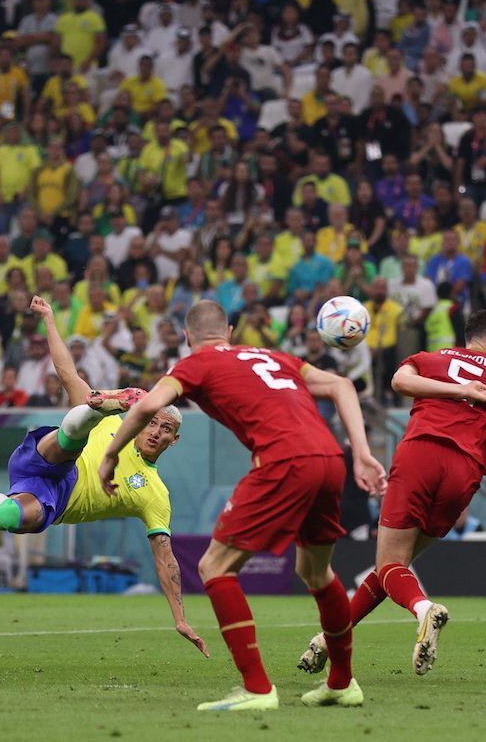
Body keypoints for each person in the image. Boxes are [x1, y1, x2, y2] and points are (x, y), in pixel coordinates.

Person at [98, 299, 385, 710]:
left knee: (214, 567)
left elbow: (146, 405)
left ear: (186, 338)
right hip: (328, 458)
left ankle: (257, 688)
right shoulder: (273, 356)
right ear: (229, 333)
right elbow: (341, 385)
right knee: (316, 571)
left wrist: (110, 456)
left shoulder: (194, 365)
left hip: (285, 460)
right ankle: (341, 683)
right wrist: (361, 453)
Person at [0, 296, 206, 657]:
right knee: (76, 430)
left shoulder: (155, 494)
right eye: (151, 421)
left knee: (3, 517)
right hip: (50, 455)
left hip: (50, 497)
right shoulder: (117, 427)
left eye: (165, 429)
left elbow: (166, 558)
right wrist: (49, 319)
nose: (155, 431)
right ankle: (105, 402)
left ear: (173, 440)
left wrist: (180, 617)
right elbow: (67, 372)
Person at [299, 310, 486, 679]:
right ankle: (329, 640)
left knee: (390, 566)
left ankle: (423, 609)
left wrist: (457, 389)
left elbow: (400, 381)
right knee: (393, 568)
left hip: (421, 455)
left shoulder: (434, 357)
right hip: (463, 475)